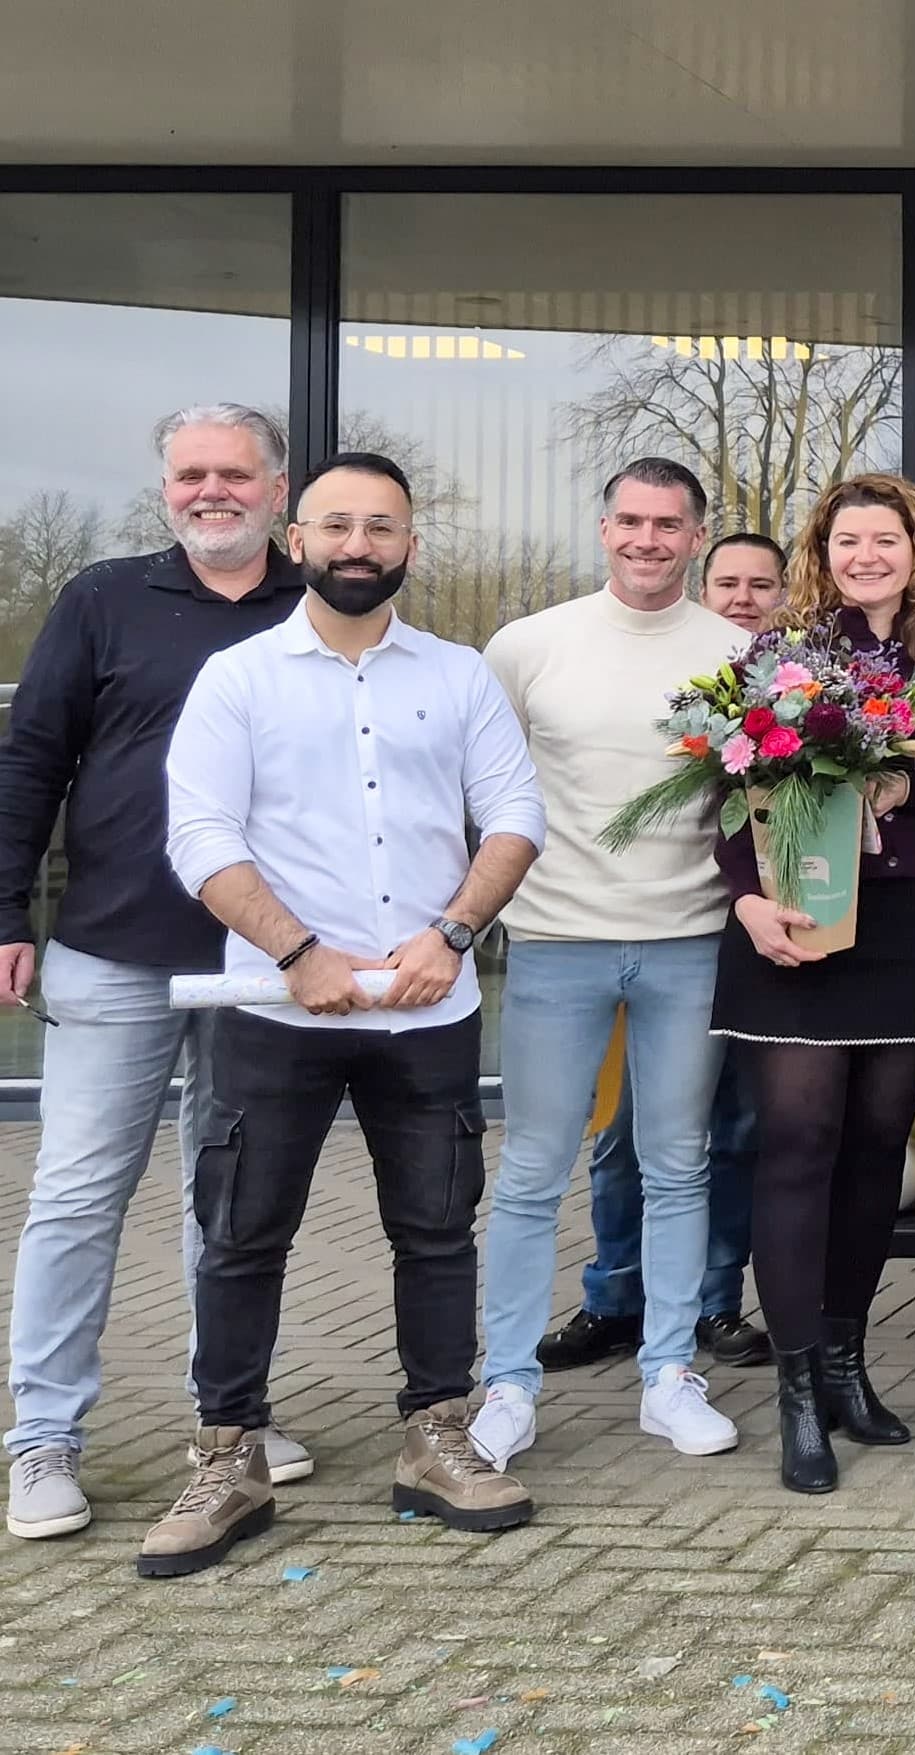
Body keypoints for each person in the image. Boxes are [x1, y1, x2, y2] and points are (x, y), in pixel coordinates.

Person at [147, 451, 547, 1576]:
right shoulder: (238, 679)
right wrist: (298, 951)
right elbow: (201, 835)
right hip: (277, 1008)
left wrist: (452, 935)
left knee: (434, 1232)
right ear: (300, 539)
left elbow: (516, 813)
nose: (359, 545)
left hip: (428, 1008)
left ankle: (435, 1438)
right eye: (337, 526)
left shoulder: (460, 676)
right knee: (241, 1234)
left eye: (381, 527)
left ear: (410, 546)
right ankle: (229, 1455)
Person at [0, 404, 314, 1542]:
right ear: (166, 488)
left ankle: (224, 1422)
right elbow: (32, 752)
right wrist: (4, 910)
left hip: (260, 959)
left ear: (278, 490)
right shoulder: (101, 599)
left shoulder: (318, 603)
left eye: (236, 473)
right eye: (192, 475)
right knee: (78, 1197)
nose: (211, 491)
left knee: (228, 1207)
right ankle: (43, 1437)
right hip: (114, 948)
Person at [714, 475, 915, 1493]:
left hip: (902, 928)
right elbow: (725, 787)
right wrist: (746, 900)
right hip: (793, 923)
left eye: (885, 539)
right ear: (822, 554)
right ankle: (795, 1395)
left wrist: (905, 783)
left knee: (878, 1150)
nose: (866, 555)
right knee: (798, 1147)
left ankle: (844, 1364)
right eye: (847, 541)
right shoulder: (779, 657)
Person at [470, 458, 749, 1477]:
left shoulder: (743, 651)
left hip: (691, 943)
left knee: (679, 1164)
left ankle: (670, 1375)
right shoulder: (528, 647)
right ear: (603, 529)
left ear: (697, 536)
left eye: (668, 525)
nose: (647, 540)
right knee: (535, 1170)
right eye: (630, 521)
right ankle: (506, 1385)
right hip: (555, 943)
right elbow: (487, 788)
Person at [539, 530, 787, 1377]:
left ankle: (714, 1302)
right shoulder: (654, 681)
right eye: (729, 581)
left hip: (742, 941)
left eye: (763, 584)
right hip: (639, 933)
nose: (745, 597)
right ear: (701, 584)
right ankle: (614, 1296)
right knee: (627, 1129)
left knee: (735, 1130)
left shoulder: (779, 698)